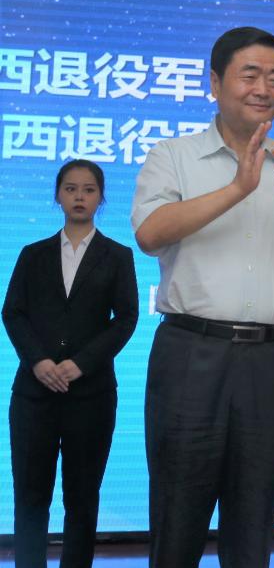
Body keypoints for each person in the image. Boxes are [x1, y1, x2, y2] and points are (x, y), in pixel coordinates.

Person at [131, 27, 274, 568]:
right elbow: (151, 233)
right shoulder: (173, 155)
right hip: (192, 355)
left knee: (253, 521)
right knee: (177, 517)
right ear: (215, 82)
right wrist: (237, 189)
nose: (264, 88)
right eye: (250, 75)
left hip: (271, 360)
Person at [4, 159, 139, 568]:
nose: (79, 197)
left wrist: (82, 363)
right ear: (58, 196)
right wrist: (38, 361)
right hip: (34, 395)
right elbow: (13, 313)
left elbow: (126, 318)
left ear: (100, 198)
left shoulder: (117, 256)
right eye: (71, 189)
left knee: (81, 498)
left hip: (91, 395)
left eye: (89, 190)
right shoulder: (33, 254)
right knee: (31, 496)